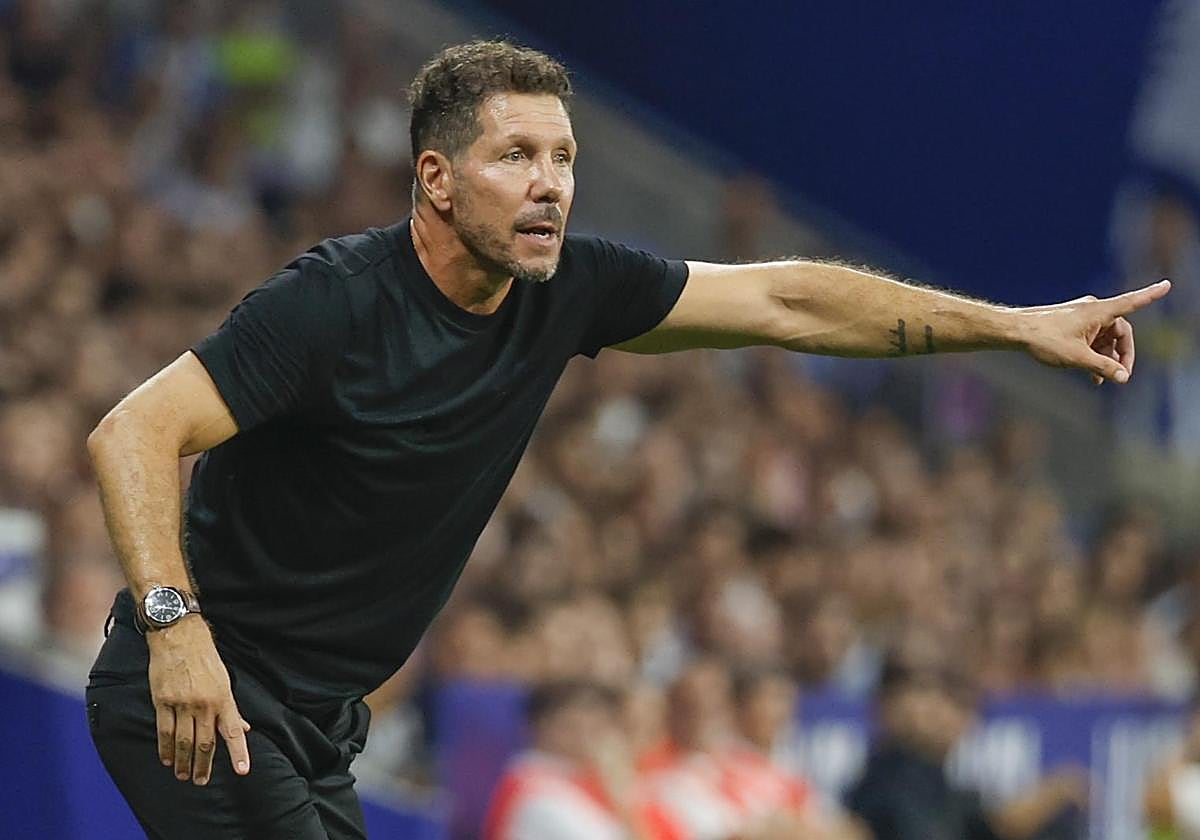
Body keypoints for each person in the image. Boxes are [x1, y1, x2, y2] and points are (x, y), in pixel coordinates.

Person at [84, 38, 1168, 839]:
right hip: (202, 688)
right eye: (517, 156)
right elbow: (133, 431)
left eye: (563, 156)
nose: (551, 182)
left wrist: (1016, 326)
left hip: (313, 723)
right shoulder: (332, 304)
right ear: (436, 179)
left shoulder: (572, 289)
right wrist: (175, 632)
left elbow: (790, 302)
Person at [844, 650, 1087, 840]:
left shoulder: (939, 781)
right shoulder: (887, 782)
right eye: (921, 691)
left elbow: (992, 824)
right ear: (887, 707)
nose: (937, 711)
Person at [483, 680, 684, 840]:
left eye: (597, 723)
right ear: (539, 727)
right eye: (573, 725)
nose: (588, 735)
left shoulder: (587, 780)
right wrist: (618, 790)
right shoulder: (534, 791)